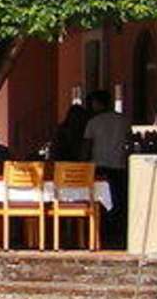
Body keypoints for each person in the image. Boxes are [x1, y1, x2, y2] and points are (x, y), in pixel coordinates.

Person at [83, 90, 130, 245]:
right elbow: (129, 142)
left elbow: (87, 146)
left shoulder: (93, 122)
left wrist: (83, 163)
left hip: (99, 166)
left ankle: (102, 231)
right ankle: (118, 231)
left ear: (97, 103)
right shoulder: (123, 120)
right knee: (118, 200)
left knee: (99, 200)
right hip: (119, 165)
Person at [54, 92, 94, 162]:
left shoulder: (63, 129)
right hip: (78, 161)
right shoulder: (85, 128)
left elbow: (56, 149)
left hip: (63, 161)